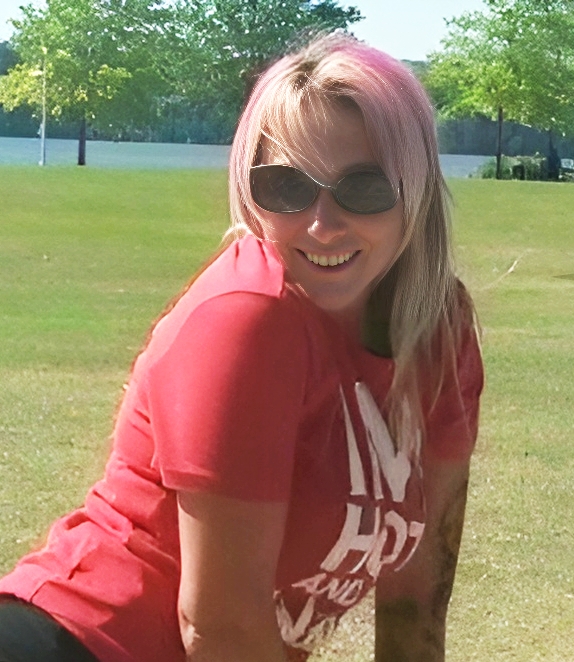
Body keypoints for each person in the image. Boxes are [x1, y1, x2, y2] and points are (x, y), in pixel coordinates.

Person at [0, 32, 483, 662]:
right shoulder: (245, 318)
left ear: (413, 189)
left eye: (364, 188)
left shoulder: (438, 330)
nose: (322, 224)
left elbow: (415, 606)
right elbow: (219, 627)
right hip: (77, 641)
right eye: (286, 187)